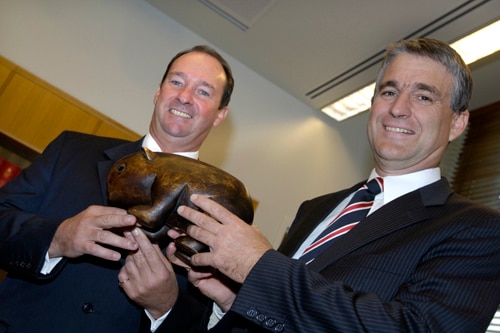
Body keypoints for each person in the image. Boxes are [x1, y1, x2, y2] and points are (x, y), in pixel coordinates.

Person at [170, 38, 500, 332]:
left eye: (424, 96)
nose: (398, 109)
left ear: (458, 123)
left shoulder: (478, 229)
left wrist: (259, 267)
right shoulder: (316, 208)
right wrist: (237, 298)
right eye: (389, 91)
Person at [0, 45, 234, 332]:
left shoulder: (225, 220)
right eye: (176, 82)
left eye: (203, 91)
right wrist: (58, 237)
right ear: (158, 92)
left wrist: (166, 306)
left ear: (220, 114)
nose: (184, 97)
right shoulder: (72, 150)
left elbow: (215, 323)